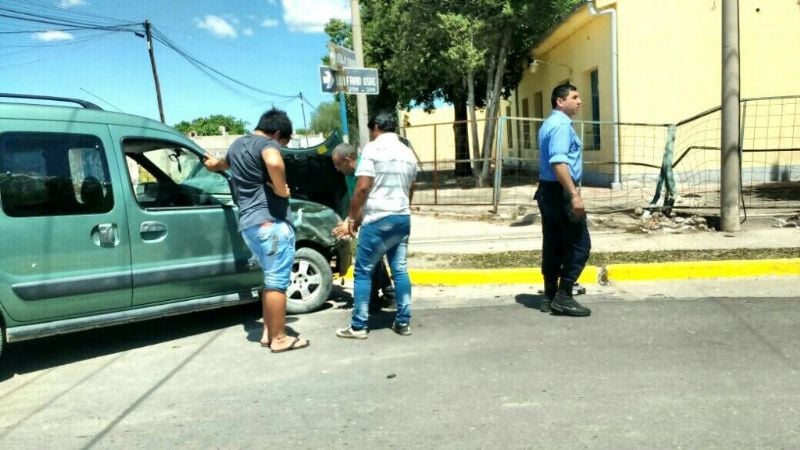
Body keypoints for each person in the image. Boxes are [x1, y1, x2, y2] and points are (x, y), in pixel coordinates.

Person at [204, 108, 310, 352]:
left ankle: (268, 332)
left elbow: (219, 164)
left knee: (269, 279)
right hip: (271, 223)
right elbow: (274, 161)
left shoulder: (237, 145)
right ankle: (280, 338)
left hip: (250, 226)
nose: (282, 147)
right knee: (277, 282)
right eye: (283, 142)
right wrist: (282, 189)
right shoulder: (266, 143)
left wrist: (211, 164)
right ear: (277, 133)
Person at [335, 111, 417, 339]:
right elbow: (412, 187)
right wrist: (402, 207)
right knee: (400, 270)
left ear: (376, 127)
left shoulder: (372, 149)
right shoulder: (408, 152)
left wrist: (352, 218)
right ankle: (403, 322)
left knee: (362, 272)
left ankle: (359, 326)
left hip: (377, 220)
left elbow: (362, 188)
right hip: (402, 218)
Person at [534, 83, 592, 317]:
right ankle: (564, 295)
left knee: (554, 244)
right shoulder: (561, 126)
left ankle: (549, 297)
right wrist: (573, 195)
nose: (579, 101)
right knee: (580, 244)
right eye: (575, 97)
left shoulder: (549, 123)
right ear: (560, 101)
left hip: (548, 190)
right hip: (560, 192)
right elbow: (558, 162)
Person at [331, 143, 396, 312]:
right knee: (373, 258)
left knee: (368, 257)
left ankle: (376, 299)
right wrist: (349, 221)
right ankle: (385, 295)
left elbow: (365, 202)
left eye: (337, 164)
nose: (336, 169)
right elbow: (355, 201)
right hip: (367, 219)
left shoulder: (364, 171)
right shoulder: (349, 174)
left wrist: (351, 223)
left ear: (347, 161)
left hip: (379, 218)